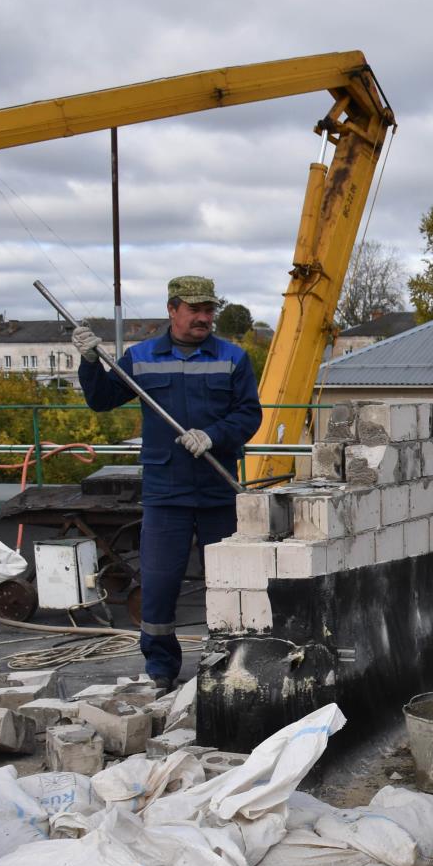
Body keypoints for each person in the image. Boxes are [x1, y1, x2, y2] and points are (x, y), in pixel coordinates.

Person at [74, 275, 262, 690]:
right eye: (194, 309)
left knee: (228, 585)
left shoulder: (233, 358)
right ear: (172, 310)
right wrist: (89, 362)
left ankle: (228, 665)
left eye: (209, 310)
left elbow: (249, 415)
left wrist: (214, 434)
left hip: (217, 489)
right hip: (166, 493)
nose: (203, 317)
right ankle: (161, 670)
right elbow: (102, 399)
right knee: (158, 587)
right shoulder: (141, 358)